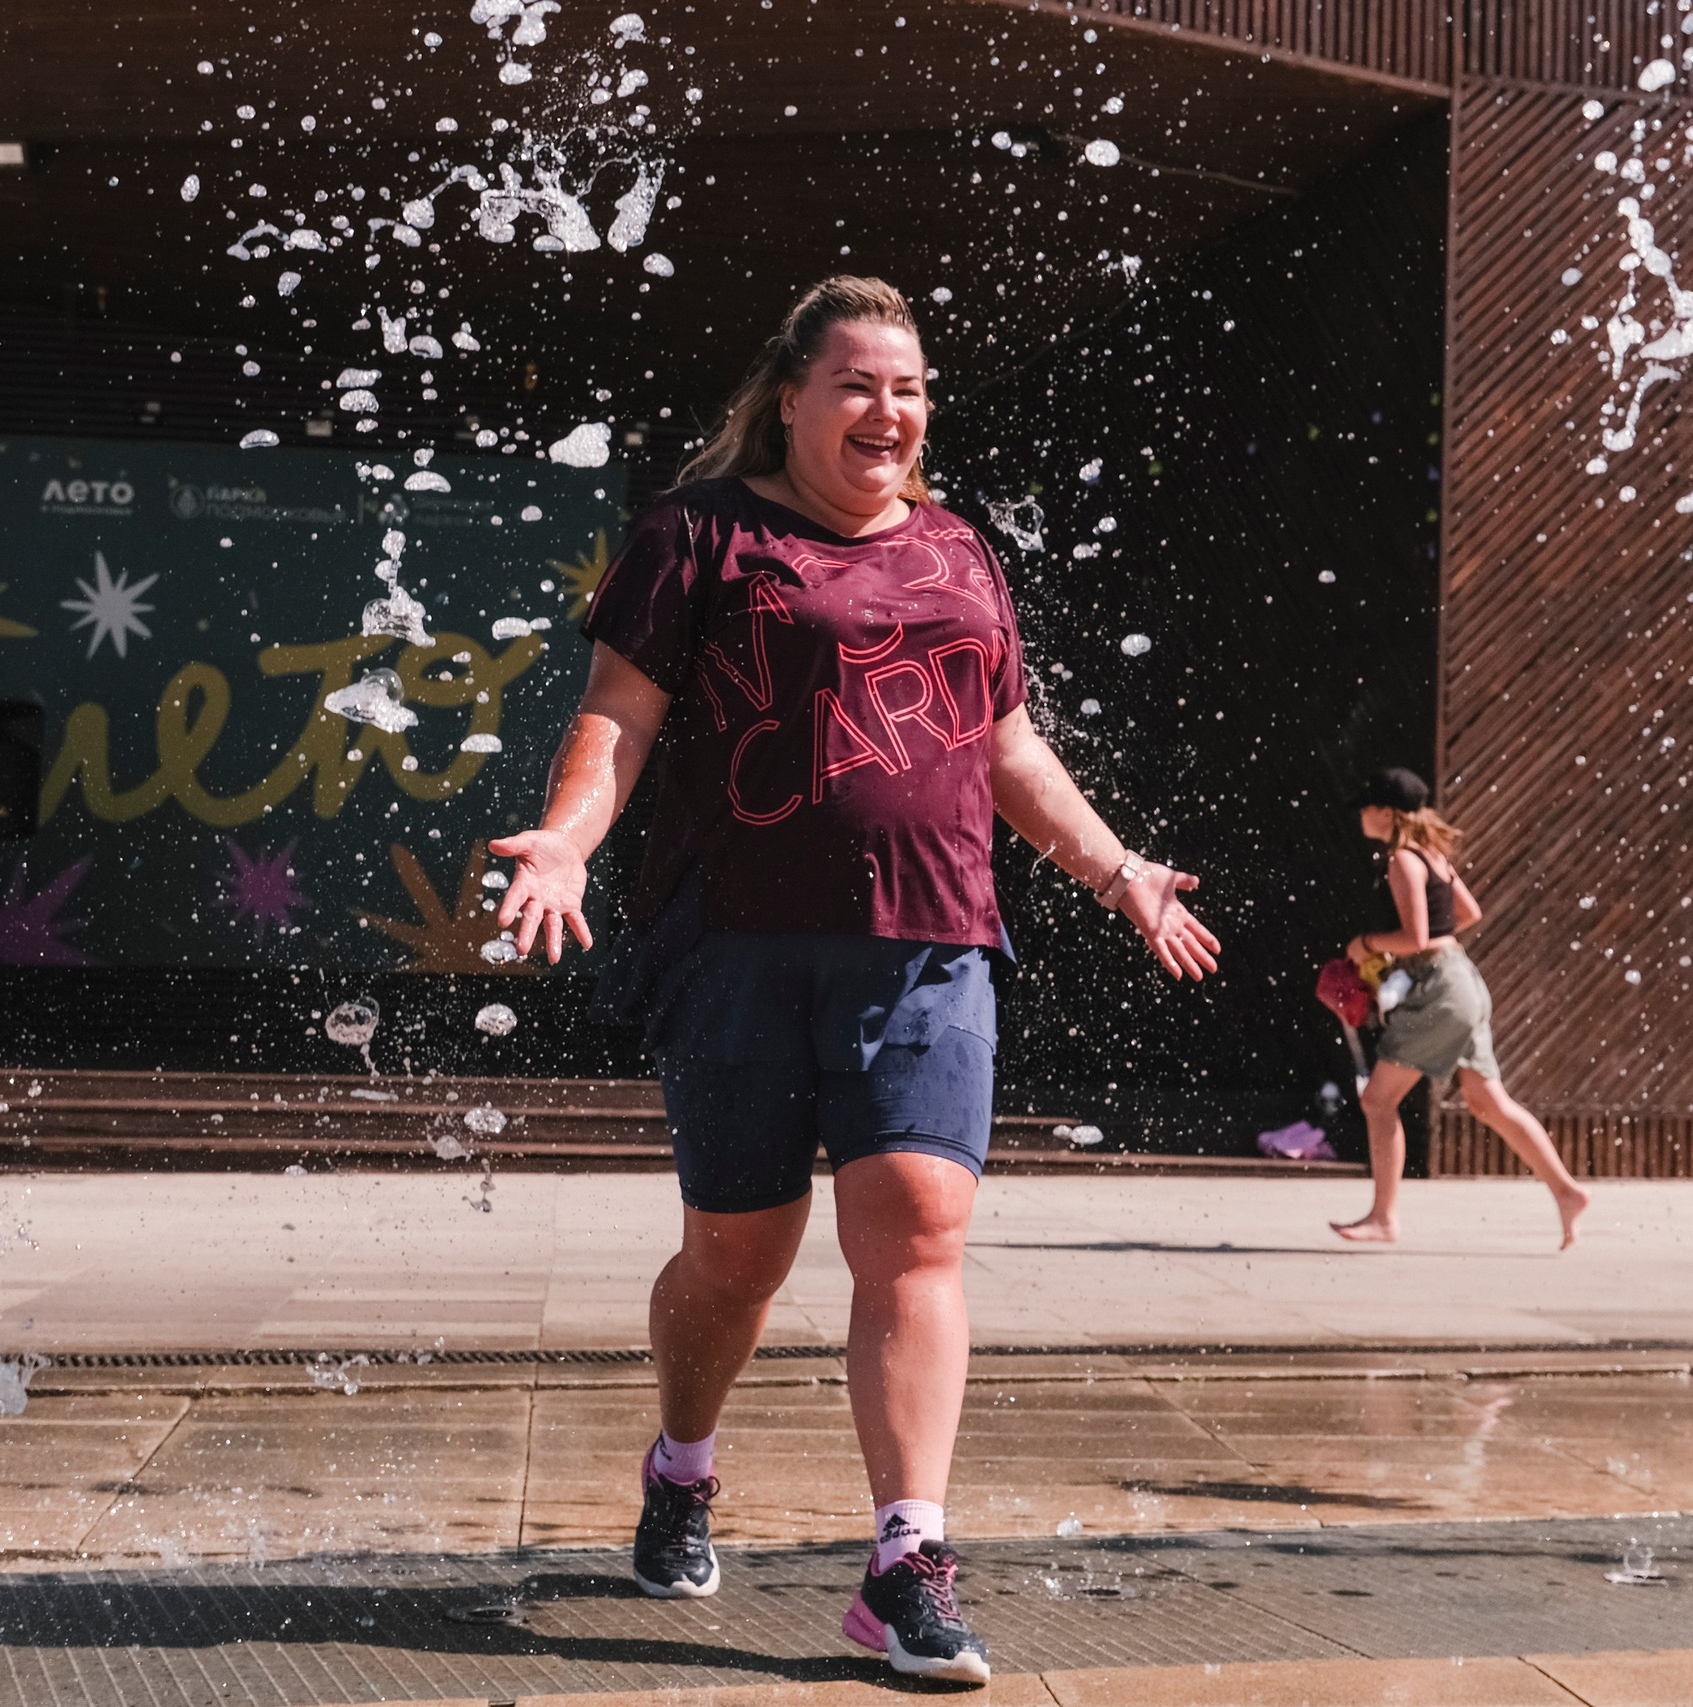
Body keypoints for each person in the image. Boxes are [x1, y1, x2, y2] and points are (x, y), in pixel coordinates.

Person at [487, 276, 1221, 1684]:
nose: (890, 410)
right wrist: (571, 842)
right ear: (791, 396)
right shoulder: (699, 533)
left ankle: (903, 1556)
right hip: (738, 947)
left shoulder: (956, 553)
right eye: (860, 383)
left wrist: (1116, 867)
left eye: (911, 388)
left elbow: (1007, 745)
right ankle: (683, 1463)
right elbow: (617, 712)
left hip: (931, 936)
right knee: (737, 1258)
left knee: (921, 1223)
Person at [1326, 767, 1589, 1250]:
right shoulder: (1435, 858)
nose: (1361, 814)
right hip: (1463, 979)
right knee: (1490, 1103)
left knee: (1378, 1101)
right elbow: (1467, 914)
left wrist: (1365, 944)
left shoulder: (1403, 860)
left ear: (1386, 811)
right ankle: (1566, 1192)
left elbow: (1417, 938)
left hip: (1439, 989)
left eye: (1367, 806)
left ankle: (1384, 1219)